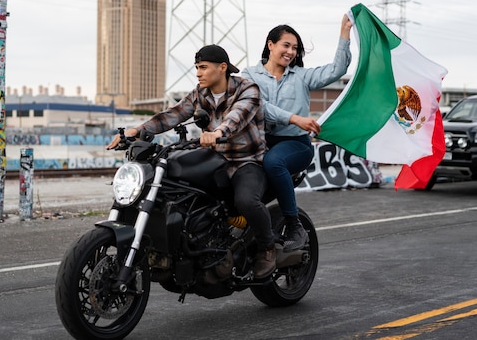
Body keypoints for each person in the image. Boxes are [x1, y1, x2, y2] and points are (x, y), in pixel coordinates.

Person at [106, 44, 276, 279]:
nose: (198, 73)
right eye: (197, 67)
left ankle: (267, 248)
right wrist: (137, 130)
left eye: (203, 67)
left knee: (246, 200)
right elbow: (172, 115)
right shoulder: (199, 94)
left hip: (244, 161)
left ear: (222, 68)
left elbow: (237, 117)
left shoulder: (248, 89)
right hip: (214, 158)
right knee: (175, 186)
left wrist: (217, 132)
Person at [242, 15, 353, 252]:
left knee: (274, 162)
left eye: (295, 48)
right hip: (259, 145)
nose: (291, 52)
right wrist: (294, 117)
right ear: (270, 44)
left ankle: (294, 226)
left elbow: (337, 69)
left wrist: (344, 32)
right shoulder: (249, 75)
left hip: (295, 144)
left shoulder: (301, 76)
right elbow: (256, 105)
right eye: (286, 45)